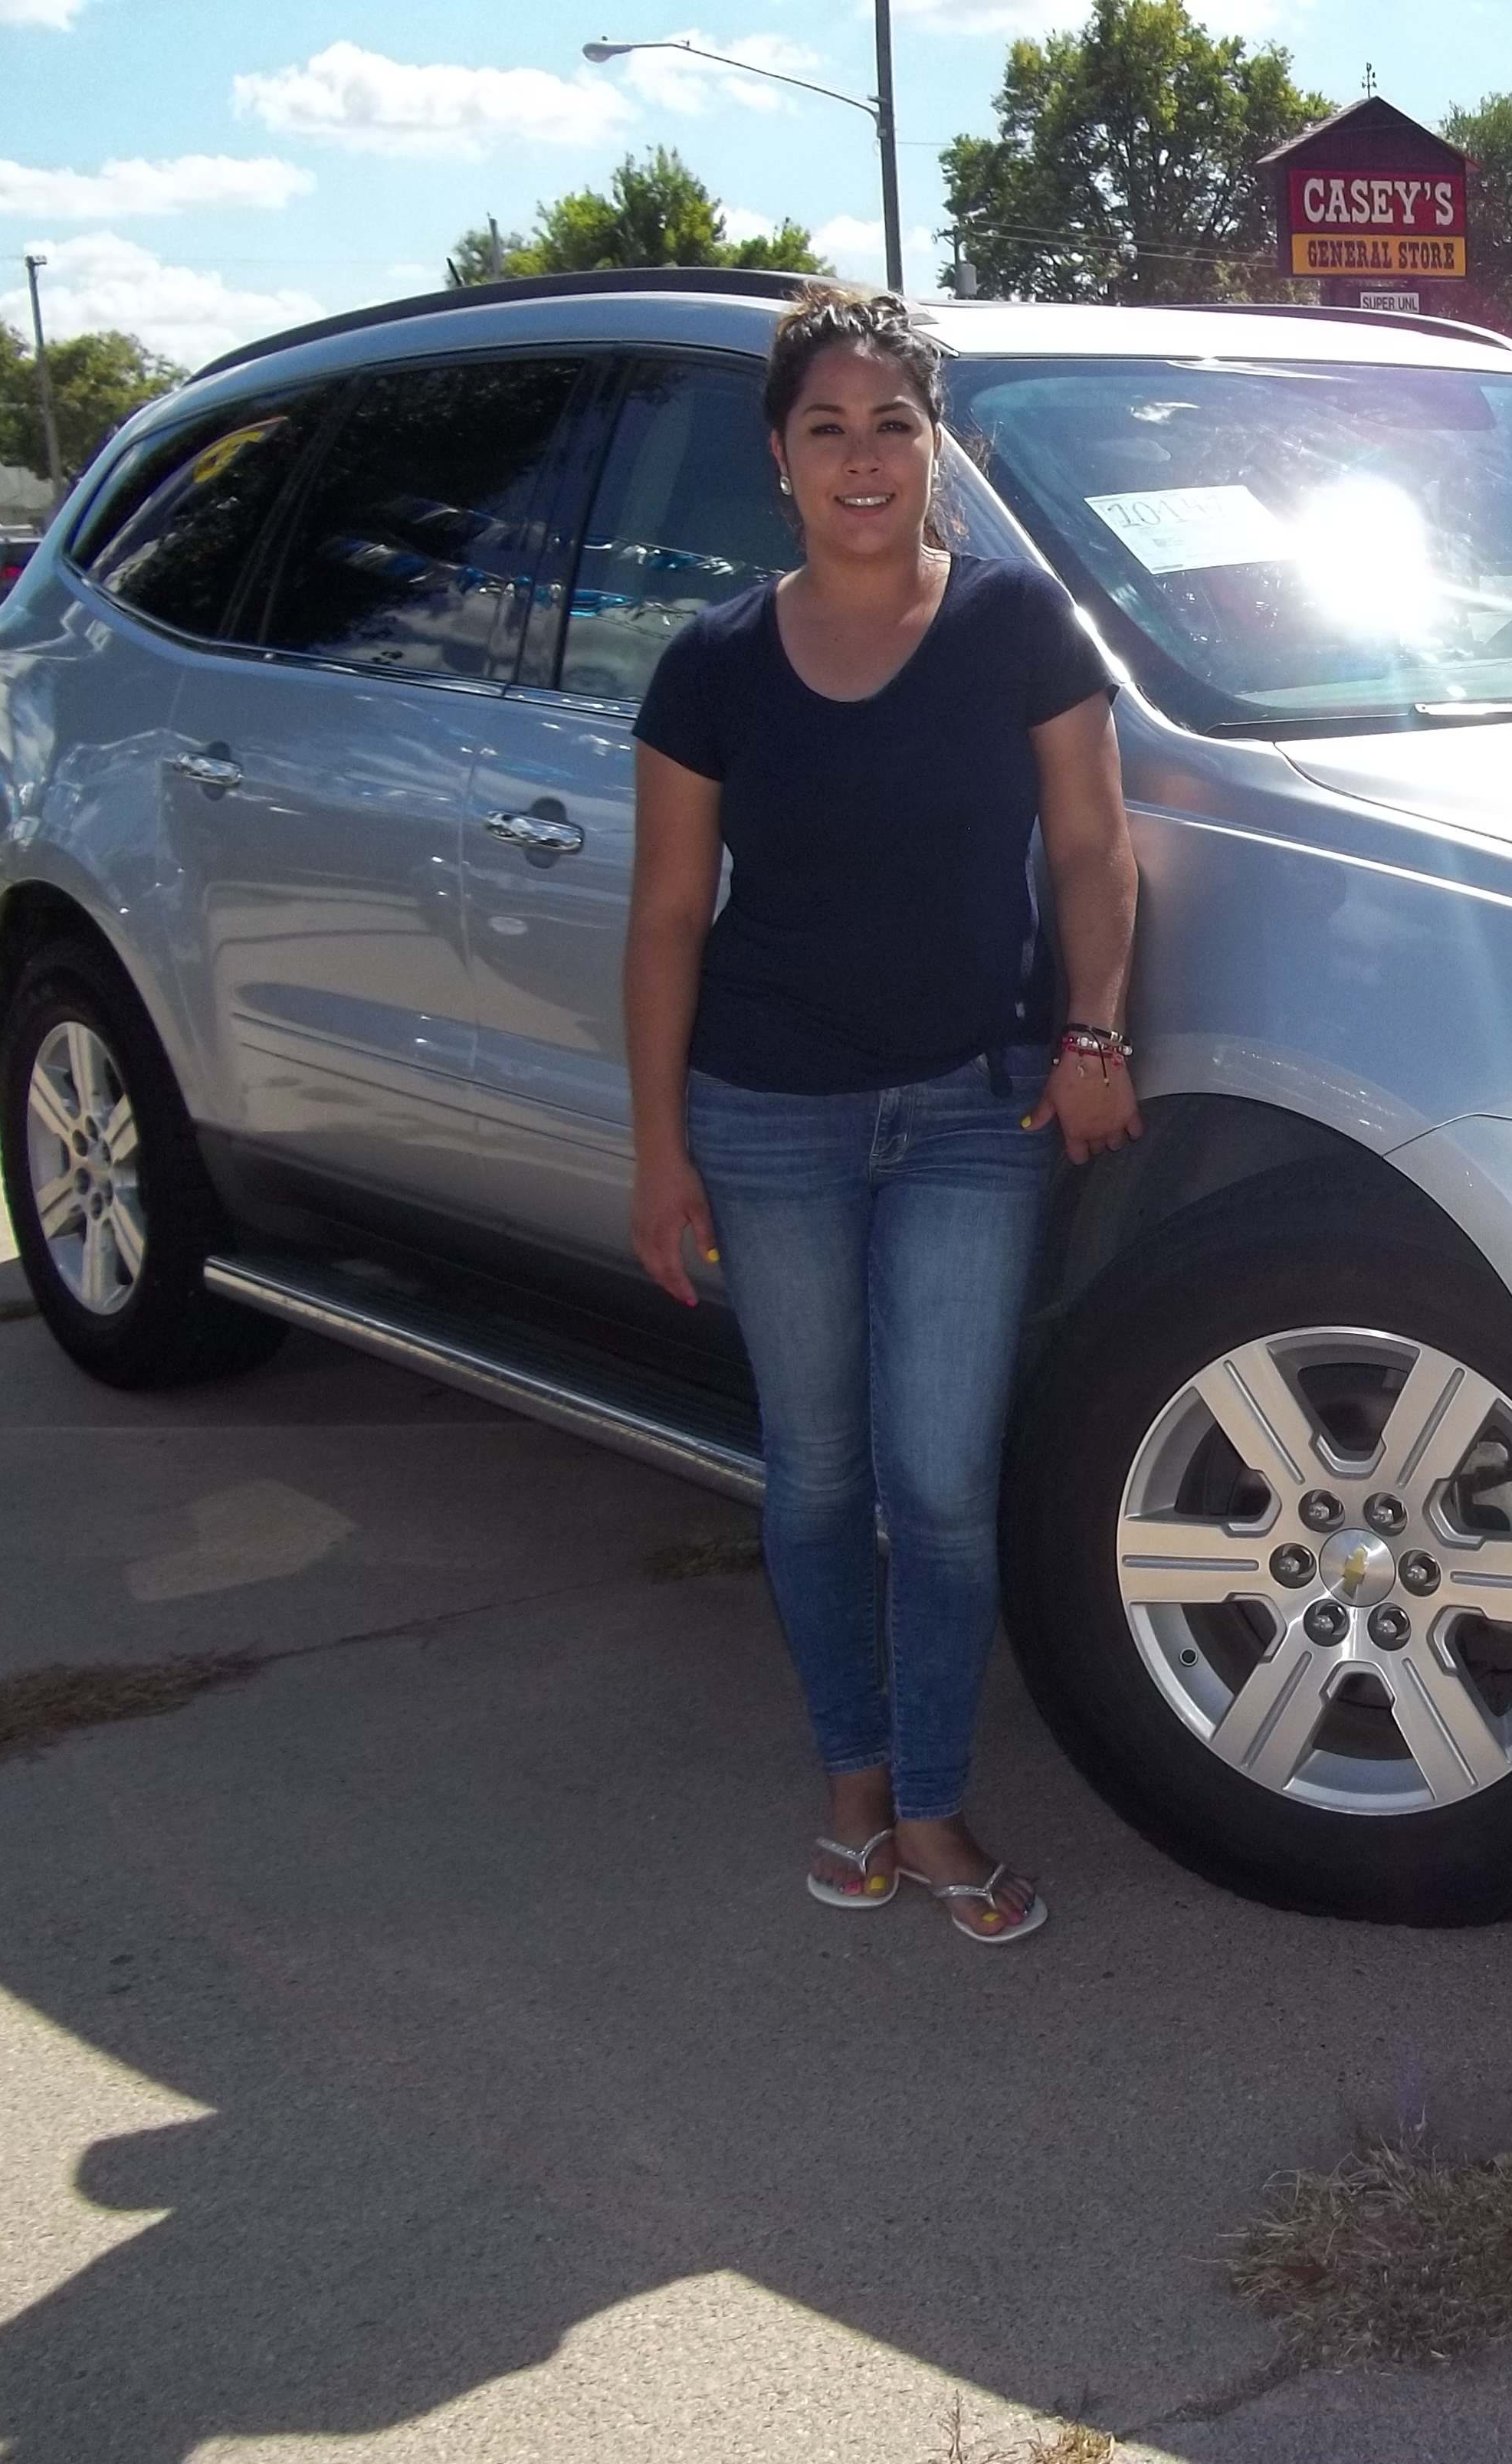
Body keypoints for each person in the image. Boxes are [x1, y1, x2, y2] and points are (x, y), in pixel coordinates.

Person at [623, 287, 1141, 1946]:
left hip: (974, 1112)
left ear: (935, 448)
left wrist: (1092, 1028)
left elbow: (1090, 848)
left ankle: (930, 1802)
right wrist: (658, 1148)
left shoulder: (1017, 626)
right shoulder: (710, 665)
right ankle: (851, 1780)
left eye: (893, 426)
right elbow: (665, 916)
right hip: (765, 1116)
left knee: (939, 1481)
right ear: (778, 455)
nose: (863, 458)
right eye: (828, 428)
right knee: (814, 1473)